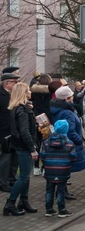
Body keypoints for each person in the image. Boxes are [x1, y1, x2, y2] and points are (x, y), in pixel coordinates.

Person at [4, 83, 38, 216]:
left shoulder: (18, 108)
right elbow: (24, 132)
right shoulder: (22, 110)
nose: (30, 91)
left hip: (20, 145)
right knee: (23, 176)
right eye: (28, 90)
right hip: (24, 146)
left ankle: (23, 201)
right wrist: (32, 148)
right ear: (23, 92)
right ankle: (10, 203)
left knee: (25, 175)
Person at [49, 86, 85, 190]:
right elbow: (71, 131)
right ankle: (62, 192)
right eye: (71, 96)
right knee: (66, 168)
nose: (73, 98)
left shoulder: (56, 110)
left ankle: (62, 190)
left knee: (62, 168)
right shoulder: (68, 113)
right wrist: (79, 140)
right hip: (69, 144)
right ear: (67, 98)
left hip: (60, 143)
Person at [40, 120, 76, 217]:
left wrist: (46, 163)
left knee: (49, 190)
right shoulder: (69, 143)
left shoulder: (46, 142)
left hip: (49, 169)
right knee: (61, 191)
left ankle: (49, 209)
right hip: (63, 170)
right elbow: (73, 156)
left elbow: (42, 156)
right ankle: (62, 210)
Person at [0, 72, 20, 192]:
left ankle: (12, 179)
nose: (17, 84)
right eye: (14, 82)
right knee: (5, 158)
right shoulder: (1, 95)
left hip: (14, 131)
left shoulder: (14, 94)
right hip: (3, 131)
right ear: (6, 83)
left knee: (15, 157)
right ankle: (3, 182)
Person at [30, 73, 53, 176]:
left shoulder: (34, 92)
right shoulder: (51, 92)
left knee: (37, 143)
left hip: (36, 118)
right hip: (47, 119)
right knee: (47, 143)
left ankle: (36, 167)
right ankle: (45, 167)